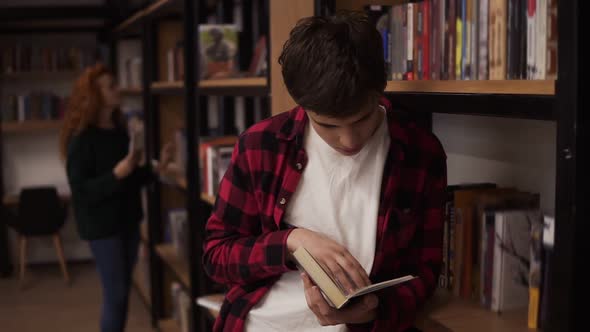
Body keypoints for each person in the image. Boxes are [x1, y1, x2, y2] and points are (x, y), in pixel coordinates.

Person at [202, 11, 447, 332]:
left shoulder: (420, 152)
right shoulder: (261, 144)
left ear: (380, 90)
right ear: (303, 106)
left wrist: (374, 311)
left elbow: (425, 271)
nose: (348, 141)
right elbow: (217, 257)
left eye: (361, 120)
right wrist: (291, 242)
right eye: (327, 125)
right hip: (263, 324)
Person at [59, 63, 173, 332]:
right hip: (101, 227)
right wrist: (116, 174)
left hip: (127, 221)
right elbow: (81, 192)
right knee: (117, 294)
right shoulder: (81, 139)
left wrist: (158, 167)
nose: (117, 89)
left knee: (120, 294)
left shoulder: (119, 130)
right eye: (110, 86)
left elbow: (131, 178)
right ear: (94, 94)